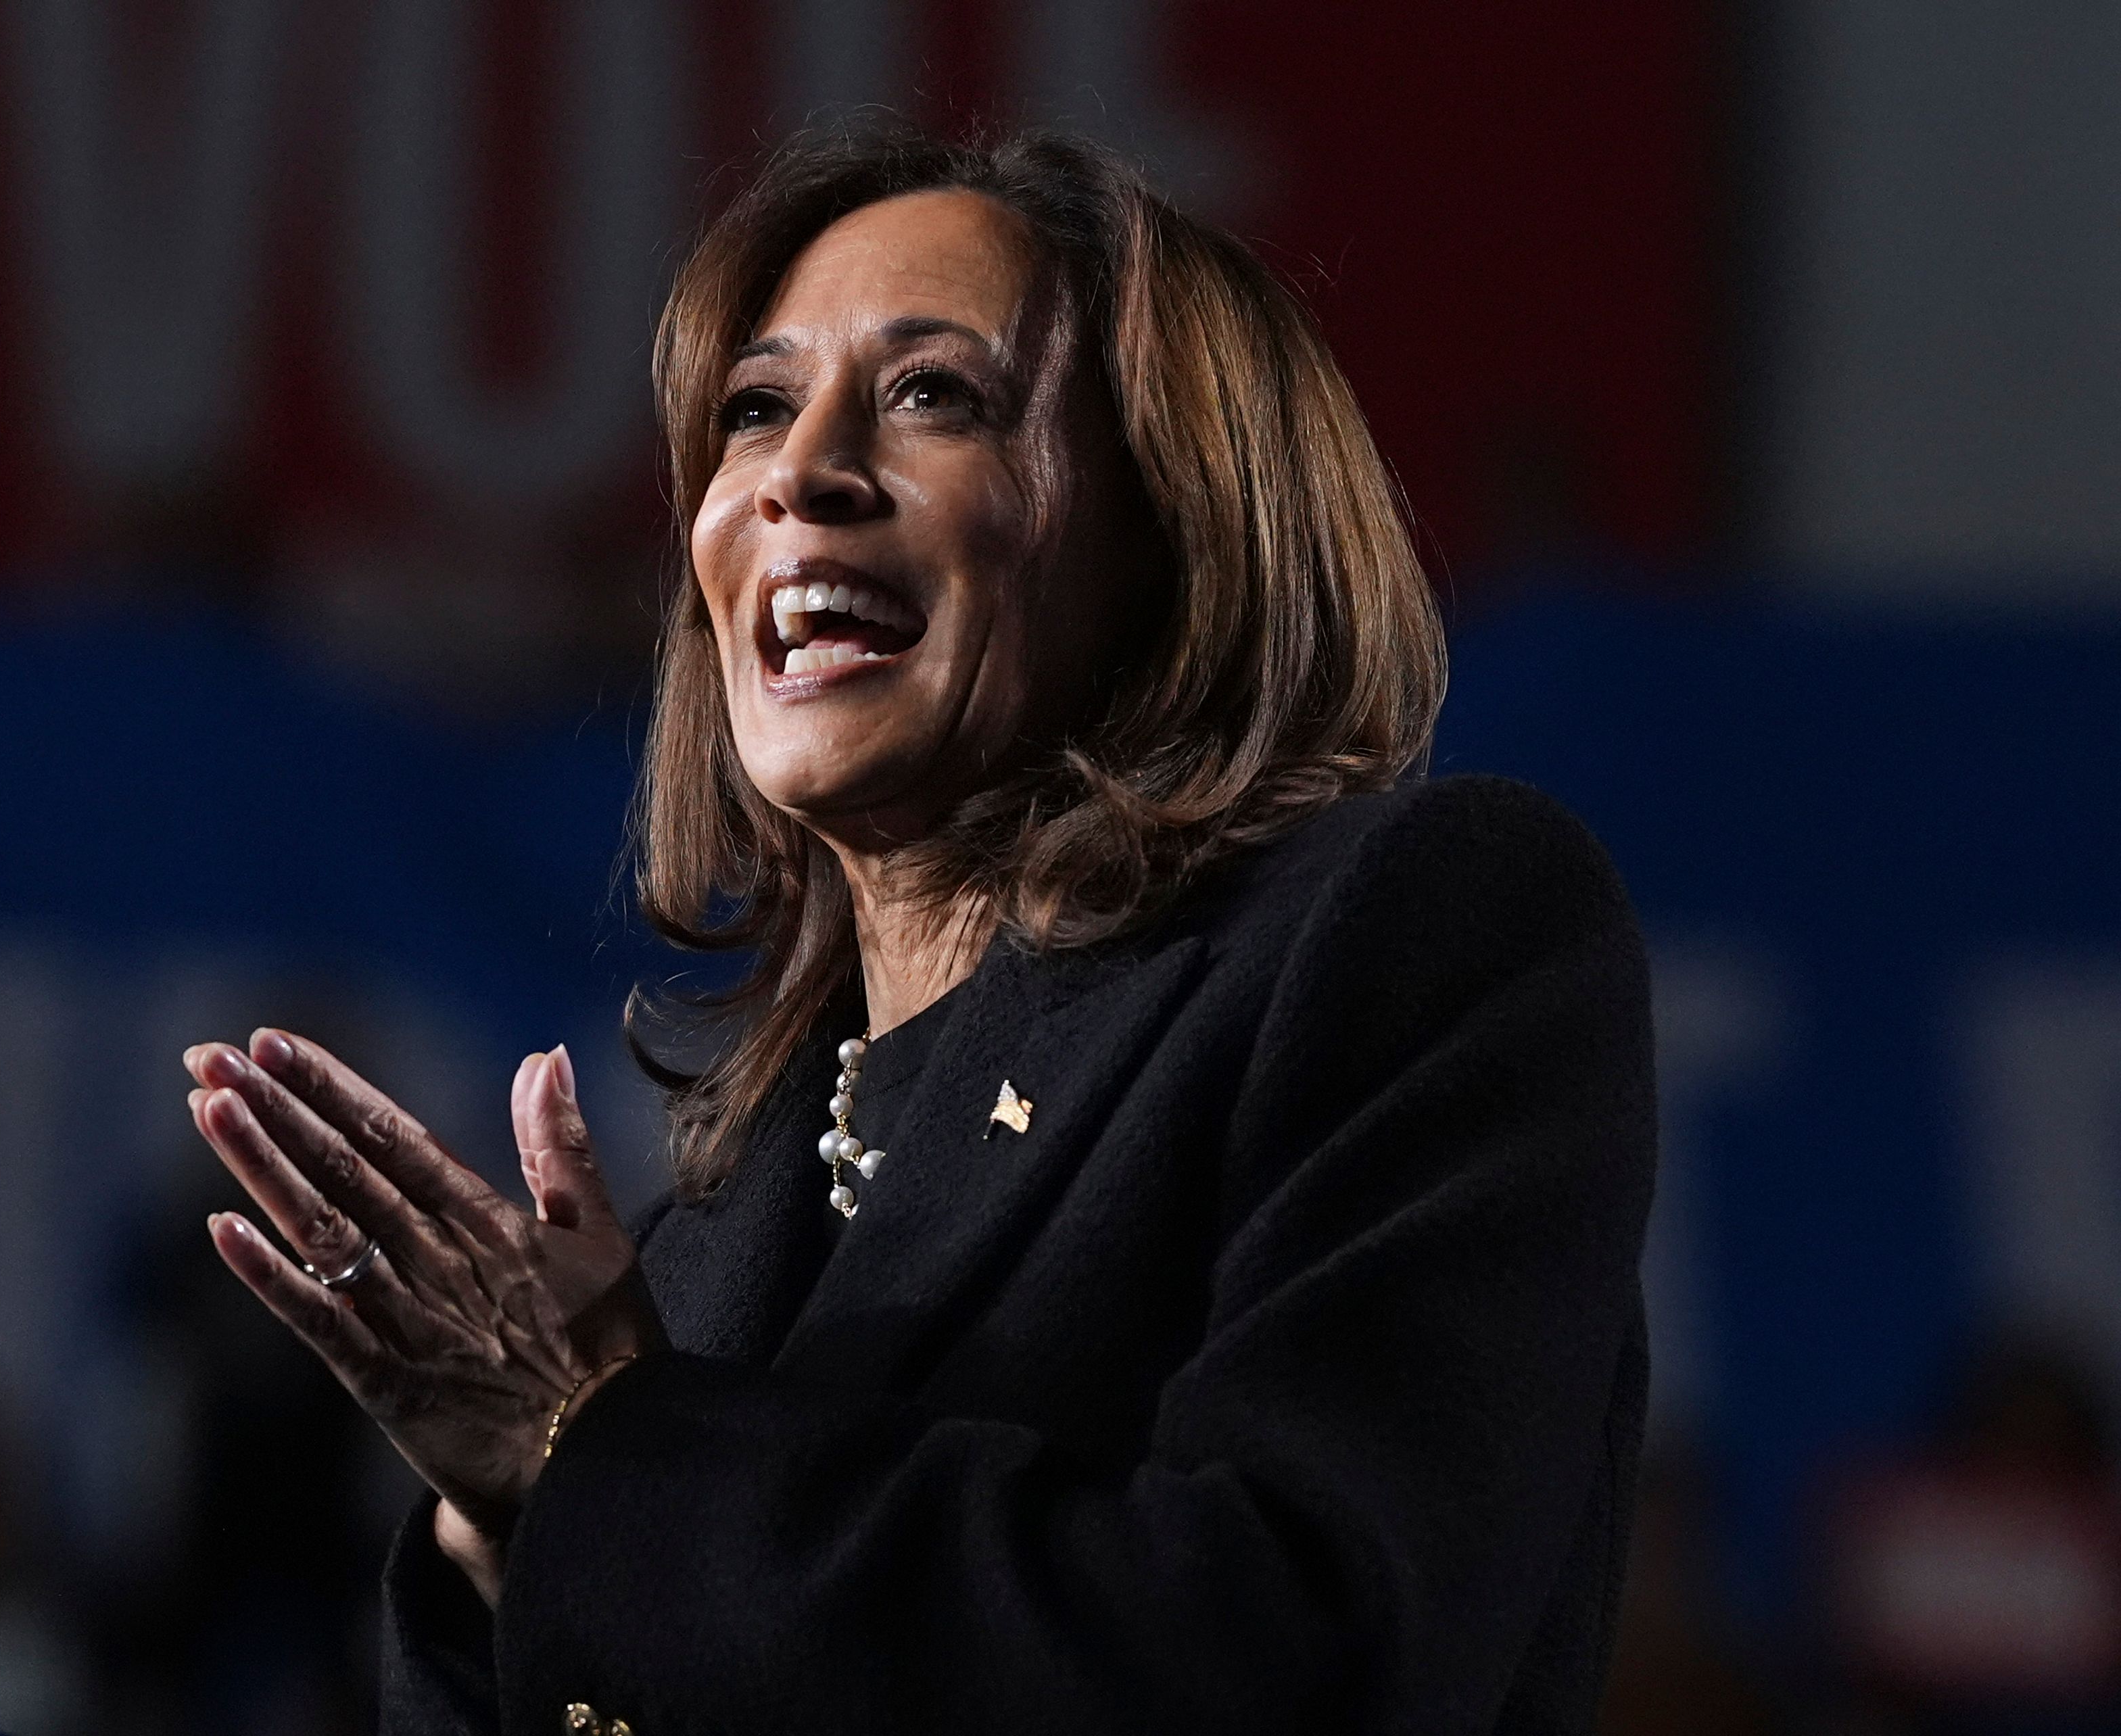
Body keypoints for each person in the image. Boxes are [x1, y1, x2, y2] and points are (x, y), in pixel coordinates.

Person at [181, 122, 1654, 1735]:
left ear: (1175, 521)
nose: (796, 476)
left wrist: (599, 1458)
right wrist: (501, 1534)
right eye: (755, 411)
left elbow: (1301, 1641)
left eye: (932, 395)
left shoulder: (1411, 933)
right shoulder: (713, 1234)